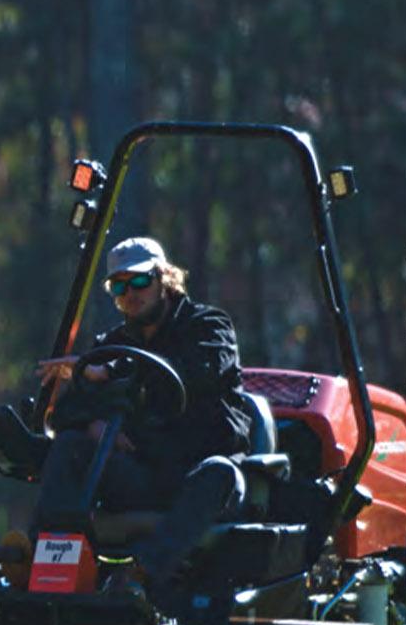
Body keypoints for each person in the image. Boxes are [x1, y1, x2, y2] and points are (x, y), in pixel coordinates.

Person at [34, 236, 257, 592]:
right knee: (71, 445)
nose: (130, 293)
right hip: (144, 474)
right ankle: (49, 567)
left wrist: (112, 372)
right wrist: (92, 424)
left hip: (199, 475)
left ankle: (140, 578)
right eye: (118, 286)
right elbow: (65, 413)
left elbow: (196, 371)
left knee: (219, 474)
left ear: (164, 279)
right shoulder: (113, 342)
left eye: (139, 281)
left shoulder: (210, 327)